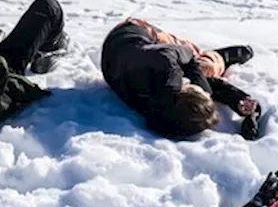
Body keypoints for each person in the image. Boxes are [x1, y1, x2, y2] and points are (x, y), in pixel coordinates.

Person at [101, 18, 261, 140]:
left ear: (180, 89)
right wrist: (238, 99)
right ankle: (221, 57)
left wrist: (204, 88)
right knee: (204, 67)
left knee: (195, 59)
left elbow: (185, 53)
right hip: (114, 61)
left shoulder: (165, 66)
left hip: (130, 31)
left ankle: (220, 57)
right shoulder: (158, 109)